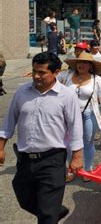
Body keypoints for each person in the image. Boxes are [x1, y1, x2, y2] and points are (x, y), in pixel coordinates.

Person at [0, 52, 83, 223]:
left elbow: (75, 126)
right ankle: (55, 210)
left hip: (52, 160)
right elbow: (9, 121)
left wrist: (77, 156)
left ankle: (50, 213)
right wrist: (0, 147)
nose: (36, 76)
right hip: (25, 160)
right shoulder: (22, 92)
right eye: (34, 71)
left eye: (42, 72)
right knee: (24, 198)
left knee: (46, 215)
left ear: (56, 72)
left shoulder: (67, 95)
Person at [58, 52, 101, 182]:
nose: (81, 65)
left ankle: (88, 170)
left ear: (90, 66)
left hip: (88, 115)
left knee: (87, 143)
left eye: (84, 62)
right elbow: (52, 82)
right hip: (68, 116)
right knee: (67, 143)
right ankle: (71, 168)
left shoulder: (96, 79)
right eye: (79, 62)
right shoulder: (66, 76)